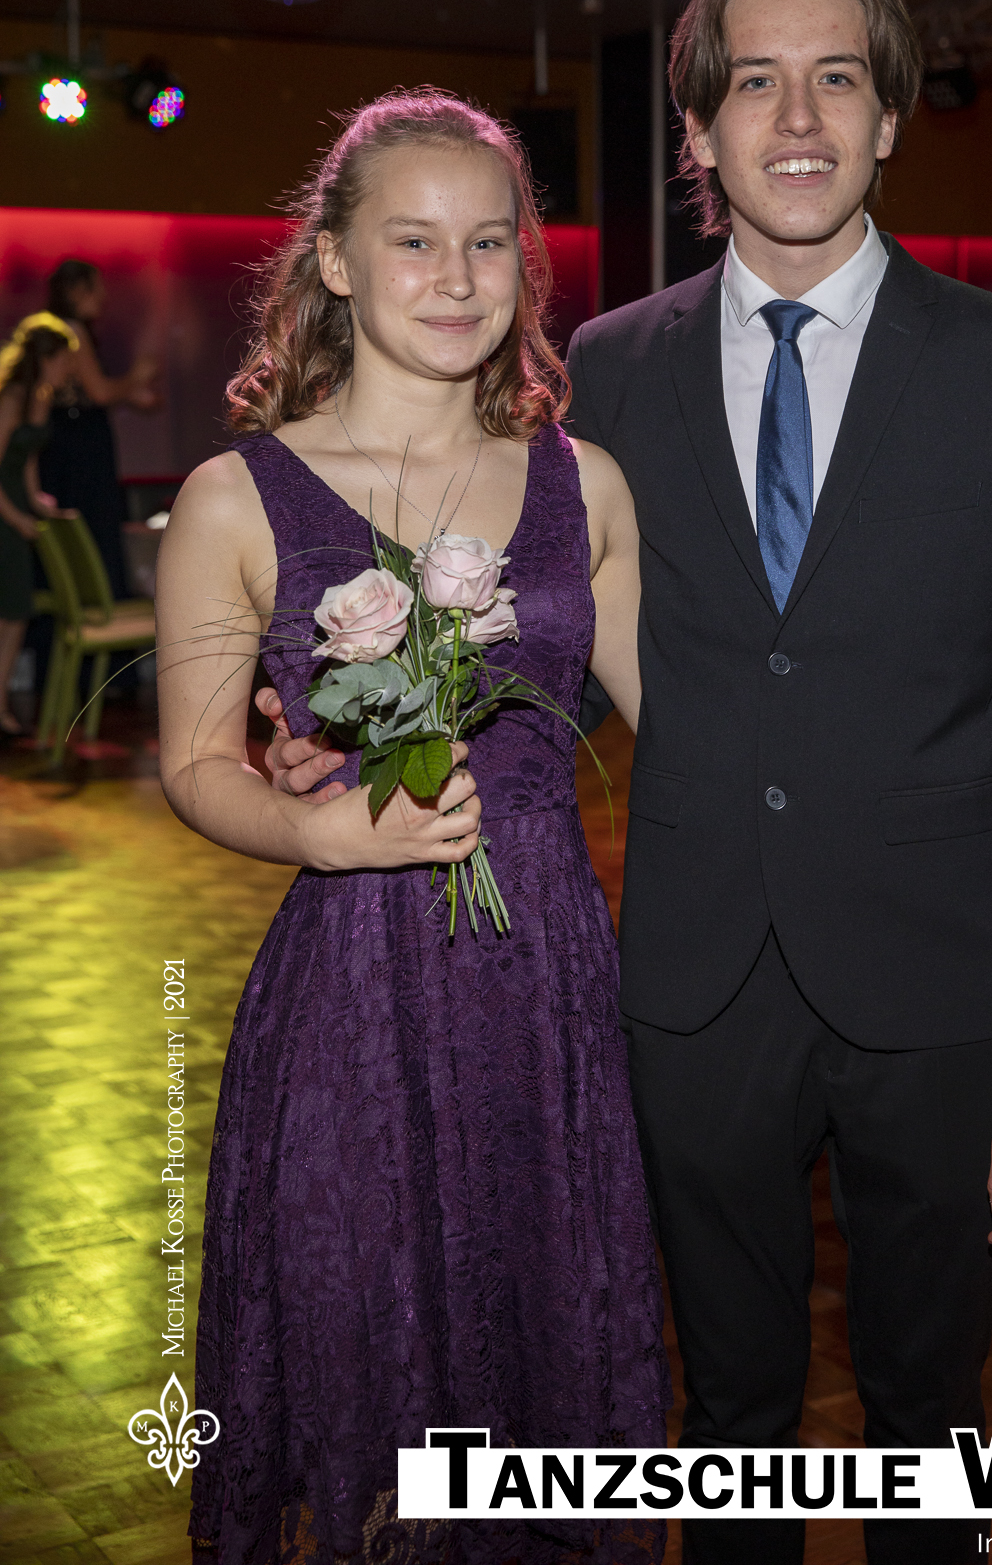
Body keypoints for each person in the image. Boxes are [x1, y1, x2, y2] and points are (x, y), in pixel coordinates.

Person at [265, 0, 992, 1565]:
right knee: (725, 1410)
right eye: (756, 85)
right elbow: (563, 652)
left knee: (931, 1410)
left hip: (946, 987)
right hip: (691, 981)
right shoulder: (606, 370)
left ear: (887, 118)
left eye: (837, 80)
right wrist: (373, 732)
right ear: (701, 134)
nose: (797, 119)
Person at [155, 89, 670, 1565]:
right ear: (333, 259)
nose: (457, 279)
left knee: (540, 1349)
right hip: (353, 995)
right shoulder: (234, 499)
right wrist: (312, 832)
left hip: (549, 981)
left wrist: (926, 735)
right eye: (414, 242)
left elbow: (693, 721)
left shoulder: (584, 483)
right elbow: (196, 764)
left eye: (489, 243)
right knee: (370, 1366)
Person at [42, 258, 160, 599]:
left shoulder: (54, 328)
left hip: (67, 439)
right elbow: (99, 393)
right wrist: (136, 378)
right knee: (93, 522)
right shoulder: (71, 329)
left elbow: (91, 392)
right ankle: (100, 605)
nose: (104, 297)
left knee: (80, 523)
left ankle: (81, 607)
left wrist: (132, 395)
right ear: (77, 290)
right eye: (96, 288)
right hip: (78, 444)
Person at [0, 315, 81, 735]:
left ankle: (0, 706)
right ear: (46, 358)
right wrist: (16, 518)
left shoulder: (40, 397)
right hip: (2, 513)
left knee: (16, 613)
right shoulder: (12, 398)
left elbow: (28, 459)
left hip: (16, 509)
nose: (69, 368)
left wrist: (37, 502)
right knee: (11, 612)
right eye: (64, 359)